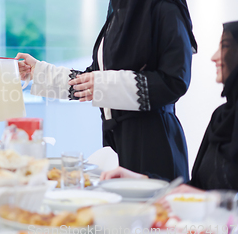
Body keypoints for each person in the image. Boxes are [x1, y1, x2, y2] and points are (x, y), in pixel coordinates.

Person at [17, 0, 197, 180]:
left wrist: (103, 85)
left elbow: (175, 81)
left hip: (154, 144)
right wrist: (38, 72)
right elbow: (95, 77)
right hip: (118, 140)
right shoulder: (120, 14)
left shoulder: (165, 10)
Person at [102, 21, 238, 193]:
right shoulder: (221, 116)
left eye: (225, 47)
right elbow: (196, 188)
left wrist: (208, 200)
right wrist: (140, 180)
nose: (214, 57)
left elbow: (204, 196)